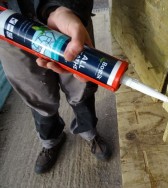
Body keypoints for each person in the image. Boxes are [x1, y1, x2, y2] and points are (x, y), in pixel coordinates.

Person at [0, 0, 111, 174]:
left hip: (65, 12)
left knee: (80, 82)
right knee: (34, 92)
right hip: (6, 25)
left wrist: (65, 7)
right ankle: (51, 140)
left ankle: (88, 131)